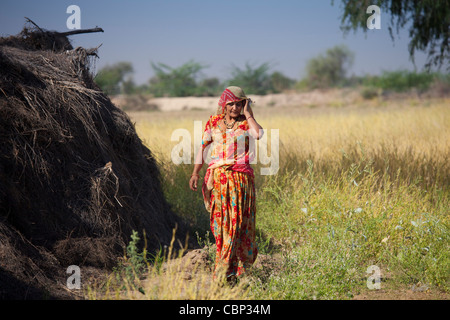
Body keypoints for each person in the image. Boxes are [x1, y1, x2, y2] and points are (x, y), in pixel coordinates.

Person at [189, 86, 264, 281]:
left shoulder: (246, 123)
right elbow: (203, 148)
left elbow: (259, 134)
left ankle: (235, 272)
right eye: (231, 104)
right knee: (221, 226)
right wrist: (196, 172)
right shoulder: (213, 122)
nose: (235, 108)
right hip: (220, 182)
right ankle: (223, 270)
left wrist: (248, 114)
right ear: (224, 104)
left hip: (241, 181)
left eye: (239, 104)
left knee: (239, 224)